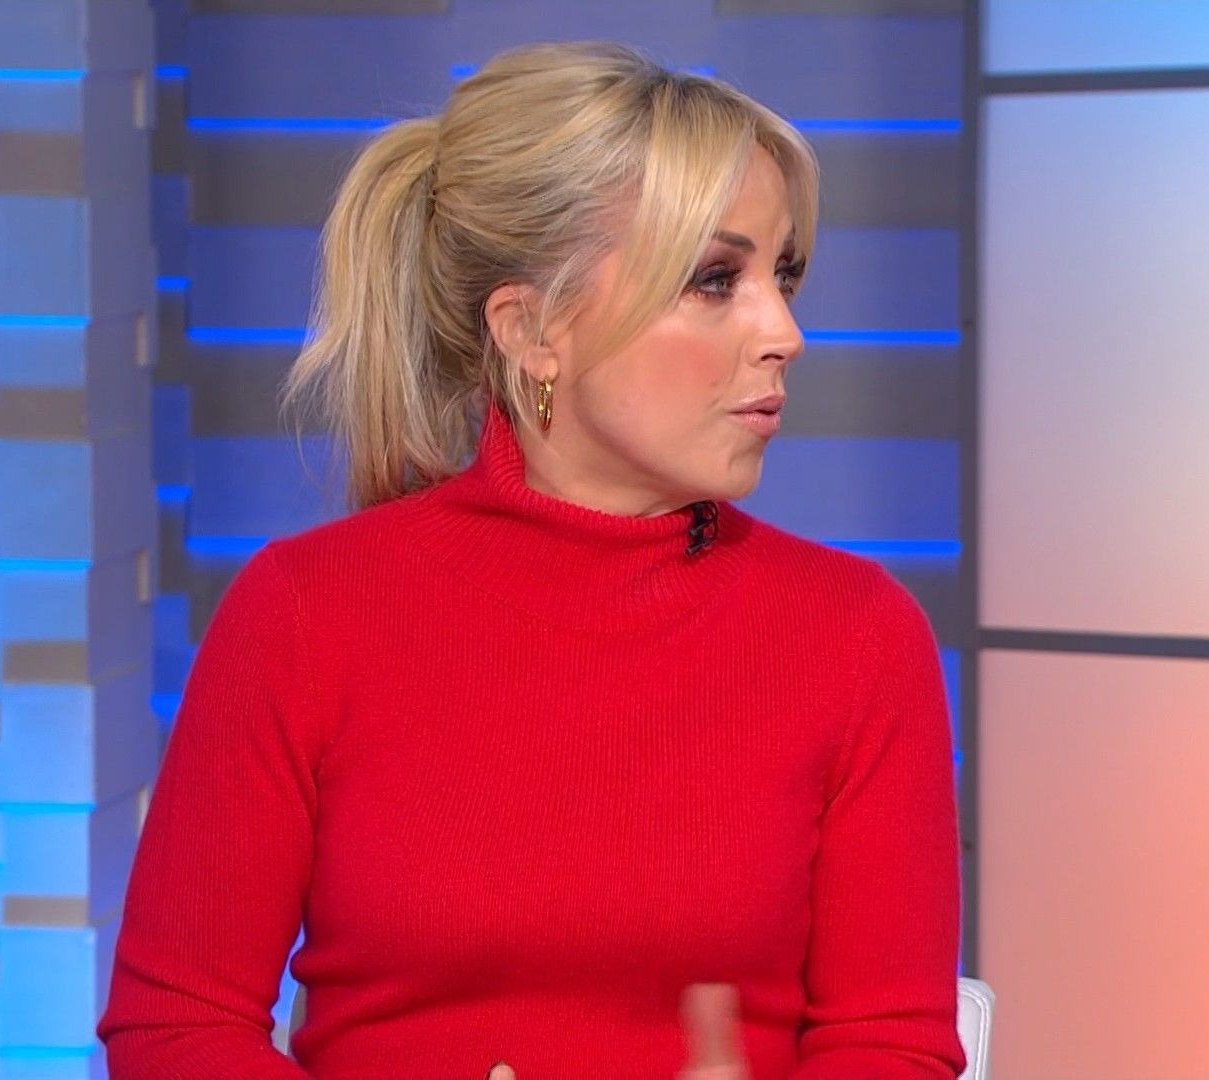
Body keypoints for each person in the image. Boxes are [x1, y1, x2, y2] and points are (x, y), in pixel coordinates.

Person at [96, 39, 966, 1080]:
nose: (784, 332)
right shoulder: (303, 613)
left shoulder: (858, 637)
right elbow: (175, 1028)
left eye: (782, 275)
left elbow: (890, 1044)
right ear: (532, 328)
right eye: (714, 280)